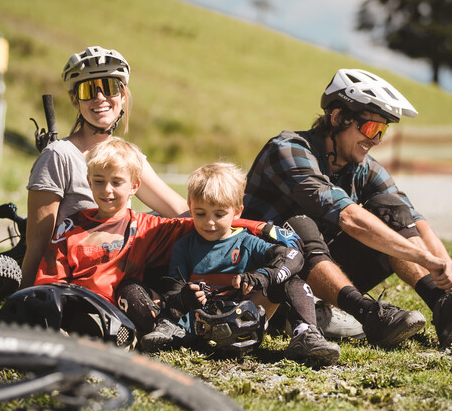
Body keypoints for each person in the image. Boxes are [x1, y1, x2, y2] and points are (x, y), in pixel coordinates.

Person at [243, 68, 452, 348]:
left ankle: (442, 304)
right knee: (298, 225)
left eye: (382, 131)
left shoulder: (363, 168)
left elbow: (412, 218)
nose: (375, 140)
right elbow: (349, 218)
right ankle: (367, 313)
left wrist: (450, 272)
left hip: (318, 279)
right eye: (371, 128)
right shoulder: (288, 149)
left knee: (390, 209)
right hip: (265, 284)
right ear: (337, 118)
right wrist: (424, 258)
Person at [32, 139, 291, 339]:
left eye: (116, 182)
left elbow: (203, 221)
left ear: (134, 186)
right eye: (98, 181)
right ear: (88, 181)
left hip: (116, 313)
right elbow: (51, 276)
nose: (106, 190)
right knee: (43, 307)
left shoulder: (146, 227)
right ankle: (30, 323)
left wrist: (260, 228)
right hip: (73, 302)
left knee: (130, 298)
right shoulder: (72, 226)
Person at [21, 46, 188, 289]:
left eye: (109, 87)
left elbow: (179, 210)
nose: (100, 98)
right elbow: (37, 245)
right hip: (73, 279)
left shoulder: (129, 157)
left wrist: (230, 224)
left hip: (118, 276)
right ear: (75, 101)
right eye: (88, 90)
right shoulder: (58, 156)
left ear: (122, 96)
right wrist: (19, 307)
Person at [140, 162, 341, 365]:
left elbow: (293, 256)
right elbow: (172, 293)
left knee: (291, 279)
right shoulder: (183, 246)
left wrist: (262, 276)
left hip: (246, 319)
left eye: (219, 214)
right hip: (200, 325)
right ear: (190, 206)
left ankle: (306, 334)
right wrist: (186, 297)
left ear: (237, 212)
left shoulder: (248, 242)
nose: (209, 222)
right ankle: (173, 332)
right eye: (200, 213)